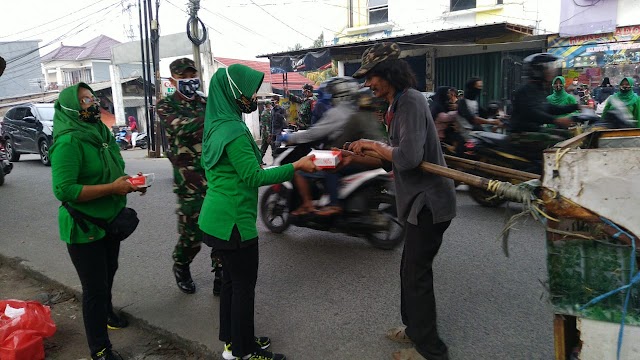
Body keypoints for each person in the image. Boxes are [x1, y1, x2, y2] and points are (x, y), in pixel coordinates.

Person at [198, 64, 317, 360]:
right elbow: (254, 177)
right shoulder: (234, 130)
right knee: (242, 287)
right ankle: (244, 352)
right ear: (231, 92)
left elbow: (244, 170)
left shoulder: (215, 125)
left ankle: (233, 342)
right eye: (248, 92)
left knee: (229, 283)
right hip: (234, 222)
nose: (252, 96)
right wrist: (297, 166)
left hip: (216, 218)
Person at [347, 42, 457, 360]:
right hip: (415, 204)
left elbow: (409, 157)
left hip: (430, 204)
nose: (367, 84)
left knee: (416, 276)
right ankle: (414, 330)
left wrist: (372, 144)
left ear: (387, 73)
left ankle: (430, 351)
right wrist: (364, 152)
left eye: (370, 77)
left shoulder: (409, 101)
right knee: (409, 271)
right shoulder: (395, 105)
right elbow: (393, 158)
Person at [50, 83, 144, 360]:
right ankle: (100, 349)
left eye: (91, 97)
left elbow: (113, 169)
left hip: (109, 220)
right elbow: (64, 190)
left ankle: (106, 313)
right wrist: (112, 189)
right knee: (94, 288)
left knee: (109, 271)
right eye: (83, 100)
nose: (91, 103)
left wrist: (129, 183)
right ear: (70, 107)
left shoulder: (101, 132)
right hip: (83, 226)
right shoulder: (68, 142)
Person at [156, 58, 221, 295]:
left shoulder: (206, 102)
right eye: (182, 77)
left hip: (215, 174)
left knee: (219, 227)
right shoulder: (165, 106)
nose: (188, 80)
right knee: (192, 233)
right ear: (173, 80)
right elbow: (179, 127)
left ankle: (220, 274)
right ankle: (181, 265)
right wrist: (211, 120)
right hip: (189, 179)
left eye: (191, 75)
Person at [281, 76, 382, 216]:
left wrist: (289, 137)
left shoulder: (340, 112)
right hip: (372, 156)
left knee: (301, 169)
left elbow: (314, 133)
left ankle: (310, 204)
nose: (329, 97)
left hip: (349, 155)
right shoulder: (366, 113)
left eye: (332, 93)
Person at [509, 53, 580, 158]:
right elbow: (531, 113)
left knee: (569, 135)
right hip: (521, 134)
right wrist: (555, 120)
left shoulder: (540, 89)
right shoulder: (526, 90)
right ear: (538, 71)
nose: (551, 71)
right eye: (547, 68)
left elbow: (550, 108)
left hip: (534, 130)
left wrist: (576, 107)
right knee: (558, 142)